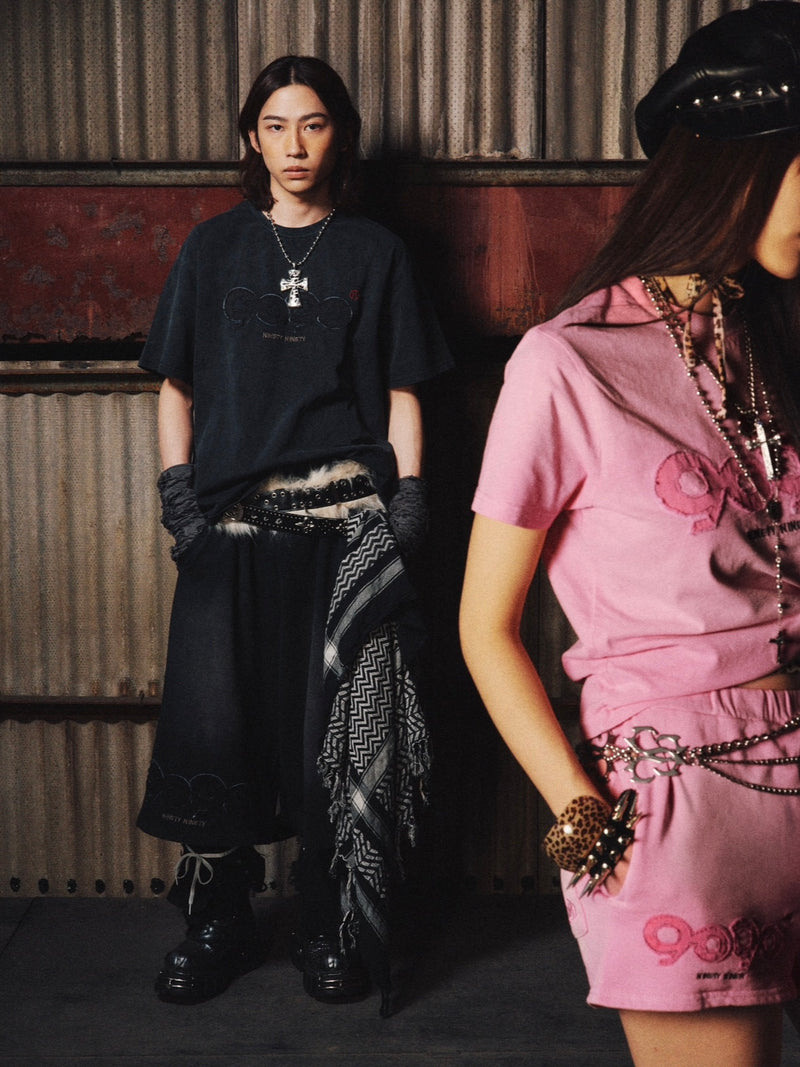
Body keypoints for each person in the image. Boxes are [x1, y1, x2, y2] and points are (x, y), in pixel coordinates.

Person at [460, 4, 800, 1064]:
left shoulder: (767, 344)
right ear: (732, 165)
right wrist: (578, 809)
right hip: (679, 812)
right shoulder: (567, 364)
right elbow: (484, 624)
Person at [136, 54, 452, 1013]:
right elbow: (176, 383)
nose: (295, 144)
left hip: (341, 528)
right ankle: (219, 919)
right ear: (252, 138)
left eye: (312, 124)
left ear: (338, 135)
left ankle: (327, 919)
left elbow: (402, 389)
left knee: (332, 733)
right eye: (275, 126)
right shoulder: (212, 247)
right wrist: (178, 497)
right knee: (216, 725)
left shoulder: (375, 251)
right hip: (228, 527)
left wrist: (408, 500)